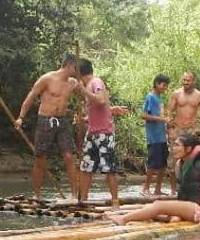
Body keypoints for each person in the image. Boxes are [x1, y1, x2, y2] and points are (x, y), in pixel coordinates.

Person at [107, 134, 200, 225]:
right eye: (173, 145)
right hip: (187, 208)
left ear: (188, 148)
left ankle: (123, 219)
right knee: (149, 208)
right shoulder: (181, 165)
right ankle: (173, 218)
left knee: (158, 205)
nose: (173, 148)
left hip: (199, 210)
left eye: (177, 145)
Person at [14, 54, 82, 199]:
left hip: (62, 121)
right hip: (45, 119)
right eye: (76, 67)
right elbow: (31, 96)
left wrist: (81, 115)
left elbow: (83, 98)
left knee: (70, 156)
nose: (78, 71)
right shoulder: (47, 78)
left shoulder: (73, 82)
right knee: (41, 158)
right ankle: (37, 195)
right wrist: (21, 117)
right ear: (69, 66)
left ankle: (74, 195)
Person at [77, 59, 129, 205]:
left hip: (104, 134)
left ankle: (115, 200)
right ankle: (83, 200)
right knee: (86, 167)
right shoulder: (89, 85)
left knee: (108, 168)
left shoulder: (96, 82)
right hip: (92, 133)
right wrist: (86, 118)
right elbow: (101, 108)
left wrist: (84, 91)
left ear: (80, 73)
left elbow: (100, 100)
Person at [141, 74, 171, 196]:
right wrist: (161, 120)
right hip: (154, 137)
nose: (165, 88)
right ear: (157, 84)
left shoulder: (160, 99)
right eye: (163, 85)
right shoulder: (150, 97)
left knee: (163, 164)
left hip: (162, 136)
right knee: (153, 164)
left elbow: (161, 117)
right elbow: (143, 115)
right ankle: (145, 188)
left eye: (166, 86)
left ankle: (158, 189)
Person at [165, 71, 200, 140]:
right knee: (177, 150)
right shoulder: (176, 94)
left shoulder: (199, 95)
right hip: (178, 129)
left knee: (193, 150)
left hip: (192, 130)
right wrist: (170, 129)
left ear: (193, 81)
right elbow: (169, 112)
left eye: (188, 80)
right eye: (184, 80)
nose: (185, 82)